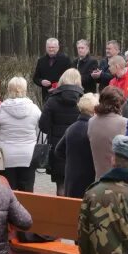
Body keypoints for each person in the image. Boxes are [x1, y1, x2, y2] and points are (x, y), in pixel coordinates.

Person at [0, 77, 41, 192]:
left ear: (9, 89)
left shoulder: (0, 109)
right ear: (25, 89)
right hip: (28, 156)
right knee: (27, 191)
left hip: (6, 157)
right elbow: (41, 133)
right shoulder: (35, 109)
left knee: (7, 191)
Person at [39, 68, 84, 196]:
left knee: (61, 184)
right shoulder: (84, 99)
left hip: (57, 147)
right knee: (79, 185)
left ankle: (61, 213)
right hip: (79, 147)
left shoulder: (52, 100)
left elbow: (43, 126)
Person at [55, 93, 99, 199]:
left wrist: (71, 160)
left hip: (71, 178)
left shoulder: (71, 128)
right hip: (89, 178)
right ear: (94, 110)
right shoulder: (93, 129)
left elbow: (58, 151)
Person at [88, 87, 128, 181]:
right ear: (119, 104)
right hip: (118, 181)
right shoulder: (124, 123)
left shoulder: (91, 121)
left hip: (98, 179)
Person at [31, 38, 72, 102]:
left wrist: (58, 86)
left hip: (62, 95)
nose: (51, 49)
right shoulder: (41, 61)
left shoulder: (65, 60)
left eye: (53, 47)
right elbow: (35, 78)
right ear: (46, 48)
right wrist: (41, 81)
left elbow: (70, 77)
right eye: (49, 47)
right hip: (46, 96)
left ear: (58, 47)